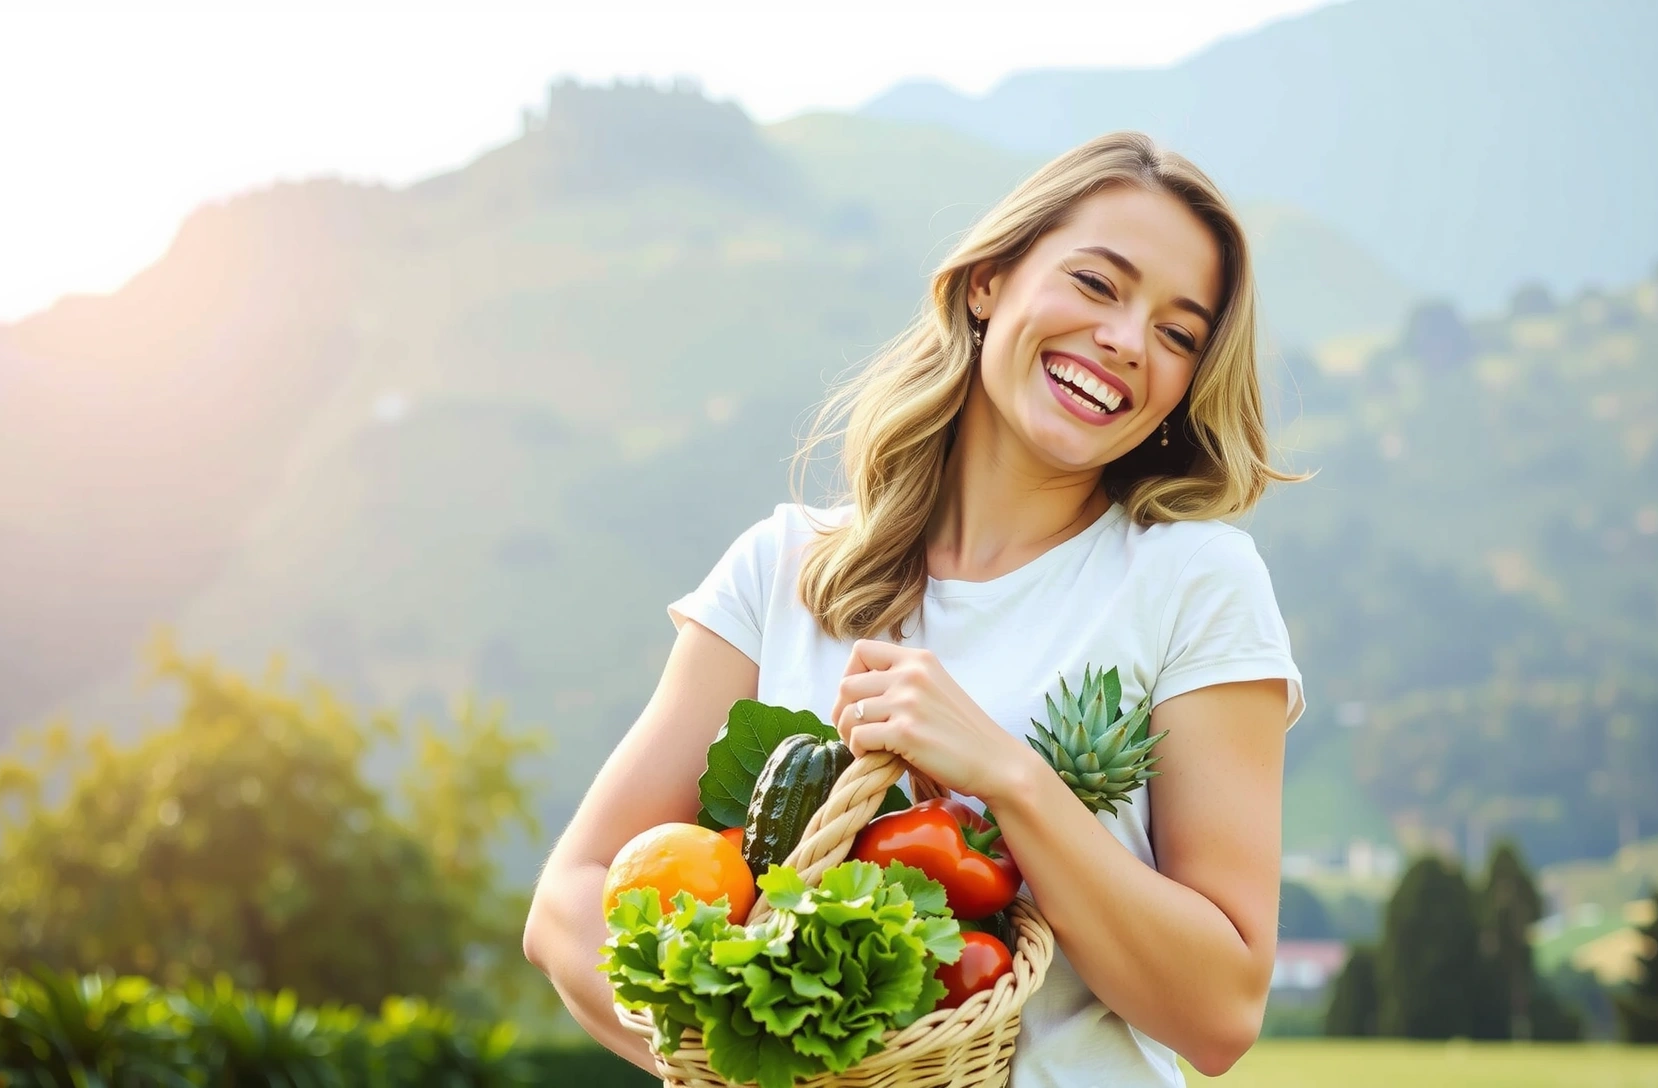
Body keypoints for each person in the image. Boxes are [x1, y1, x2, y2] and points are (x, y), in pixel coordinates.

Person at [523, 131, 1305, 1085]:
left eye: (1179, 333)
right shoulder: (782, 570)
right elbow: (569, 901)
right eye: (1098, 285)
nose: (1127, 341)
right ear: (989, 283)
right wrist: (757, 1053)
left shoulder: (1196, 584)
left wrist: (1010, 781)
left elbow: (1221, 1013)